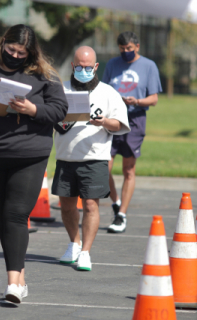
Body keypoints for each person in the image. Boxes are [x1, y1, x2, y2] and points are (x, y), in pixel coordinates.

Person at [0, 24, 68, 303]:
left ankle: (13, 283)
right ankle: (19, 277)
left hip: (30, 155)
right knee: (5, 217)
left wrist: (33, 109)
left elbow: (59, 109)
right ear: (2, 43)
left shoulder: (43, 75)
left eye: (22, 53)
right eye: (11, 49)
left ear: (32, 53)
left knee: (16, 214)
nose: (16, 56)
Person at [52, 46, 130, 271]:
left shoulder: (108, 92)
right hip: (66, 158)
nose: (84, 70)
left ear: (96, 67)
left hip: (95, 158)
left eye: (88, 67)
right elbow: (50, 117)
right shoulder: (61, 90)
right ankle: (73, 244)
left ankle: (85, 252)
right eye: (80, 66)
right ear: (72, 66)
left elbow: (120, 124)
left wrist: (104, 122)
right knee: (66, 205)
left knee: (90, 205)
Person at [102, 31, 162, 233]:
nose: (126, 52)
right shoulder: (112, 64)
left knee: (128, 169)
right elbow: (104, 91)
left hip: (135, 119)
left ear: (137, 47)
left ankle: (121, 215)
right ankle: (116, 202)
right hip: (112, 119)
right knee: (104, 168)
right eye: (122, 49)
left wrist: (136, 101)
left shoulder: (148, 66)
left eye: (129, 48)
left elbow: (153, 99)